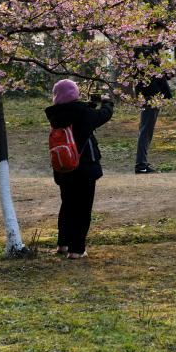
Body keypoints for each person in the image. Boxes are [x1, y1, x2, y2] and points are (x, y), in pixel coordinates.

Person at [44, 79, 114, 259]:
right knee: (83, 209)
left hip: (64, 168)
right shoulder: (83, 113)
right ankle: (77, 249)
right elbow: (102, 116)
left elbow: (77, 116)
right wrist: (107, 103)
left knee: (67, 205)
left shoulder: (55, 115)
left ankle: (63, 244)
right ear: (74, 95)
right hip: (84, 168)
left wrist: (89, 106)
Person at [133, 44, 172, 174]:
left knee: (145, 130)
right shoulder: (149, 57)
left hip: (148, 96)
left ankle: (142, 163)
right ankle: (141, 165)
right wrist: (168, 95)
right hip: (151, 97)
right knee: (146, 131)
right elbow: (159, 78)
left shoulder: (143, 57)